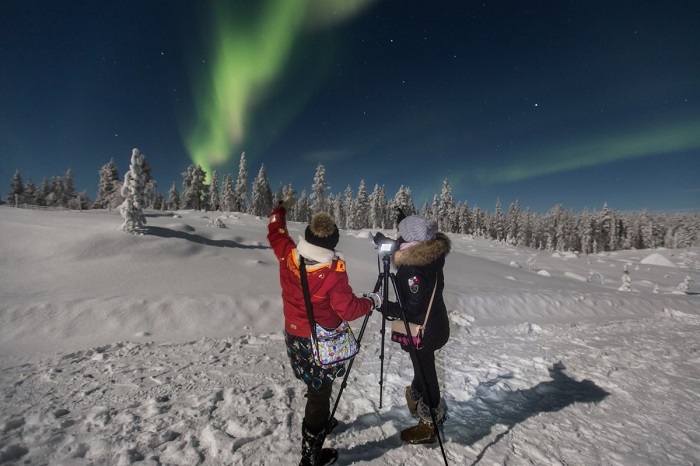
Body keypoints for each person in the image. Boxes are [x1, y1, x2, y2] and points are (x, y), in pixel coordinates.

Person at [267, 195, 381, 466]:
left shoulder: (288, 254)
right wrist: (372, 302)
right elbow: (349, 310)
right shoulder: (332, 273)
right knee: (320, 393)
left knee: (313, 381)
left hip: (294, 335)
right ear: (332, 244)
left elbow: (276, 231)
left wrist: (280, 209)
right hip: (320, 340)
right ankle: (311, 454)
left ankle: (320, 418)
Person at [382, 214, 451, 444]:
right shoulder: (430, 255)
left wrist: (383, 305)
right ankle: (414, 395)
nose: (397, 237)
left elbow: (410, 308)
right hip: (436, 323)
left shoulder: (412, 268)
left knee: (427, 373)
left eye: (401, 234)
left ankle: (430, 424)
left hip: (423, 331)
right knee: (422, 367)